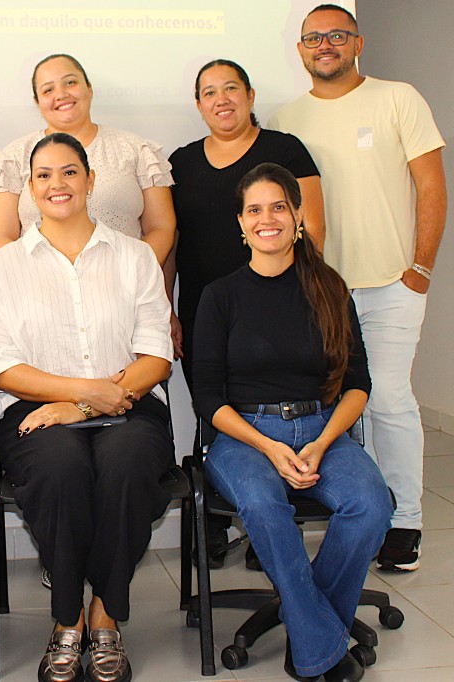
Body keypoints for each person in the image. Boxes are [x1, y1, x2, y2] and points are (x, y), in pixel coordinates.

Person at [0, 133, 174, 682]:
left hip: (131, 403)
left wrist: (85, 406)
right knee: (61, 469)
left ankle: (105, 614)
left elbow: (156, 356)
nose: (57, 184)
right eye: (43, 175)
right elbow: (2, 369)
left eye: (69, 172)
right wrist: (82, 395)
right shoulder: (5, 267)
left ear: (90, 180)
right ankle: (66, 617)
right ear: (29, 189)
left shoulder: (135, 256)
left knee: (129, 463)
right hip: (34, 409)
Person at [191, 163, 391, 682]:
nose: (267, 219)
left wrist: (324, 443)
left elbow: (357, 383)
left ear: (298, 217)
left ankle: (307, 623)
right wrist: (270, 447)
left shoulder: (329, 288)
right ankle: (320, 643)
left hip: (323, 429)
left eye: (278, 206)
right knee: (262, 503)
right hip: (244, 438)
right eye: (254, 209)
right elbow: (208, 398)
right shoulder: (220, 296)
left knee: (371, 506)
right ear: (241, 223)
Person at [268, 3, 447, 571]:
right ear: (300, 50)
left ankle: (404, 521)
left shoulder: (398, 98)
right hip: (319, 291)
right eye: (313, 38)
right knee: (339, 408)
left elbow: (431, 188)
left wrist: (419, 268)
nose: (325, 45)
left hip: (392, 283)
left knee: (389, 401)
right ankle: (360, 515)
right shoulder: (285, 119)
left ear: (357, 43)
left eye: (336, 35)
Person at [168, 59, 324, 569]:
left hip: (282, 312)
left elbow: (313, 228)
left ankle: (269, 525)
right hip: (204, 313)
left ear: (251, 95)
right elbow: (171, 244)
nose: (222, 100)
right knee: (216, 411)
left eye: (231, 88)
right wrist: (168, 311)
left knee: (272, 407)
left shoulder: (285, 150)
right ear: (198, 105)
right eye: (209, 92)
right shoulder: (181, 163)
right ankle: (214, 526)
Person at [0, 53, 175, 265]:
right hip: (40, 290)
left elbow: (160, 228)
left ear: (89, 89)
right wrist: (42, 281)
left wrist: (131, 275)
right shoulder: (12, 159)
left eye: (70, 82)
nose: (61, 94)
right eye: (48, 89)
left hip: (125, 289)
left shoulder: (137, 150)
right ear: (37, 102)